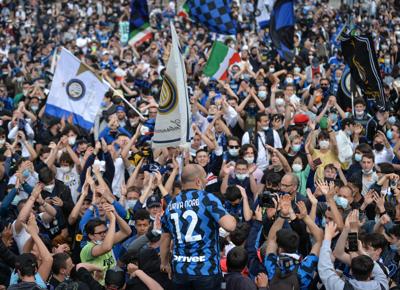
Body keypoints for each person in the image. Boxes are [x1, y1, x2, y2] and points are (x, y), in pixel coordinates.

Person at [160, 164, 237, 290]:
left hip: (180, 270)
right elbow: (230, 226)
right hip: (206, 270)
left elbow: (165, 238)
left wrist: (164, 263)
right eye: (205, 179)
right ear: (198, 181)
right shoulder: (207, 198)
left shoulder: (171, 204)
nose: (206, 182)